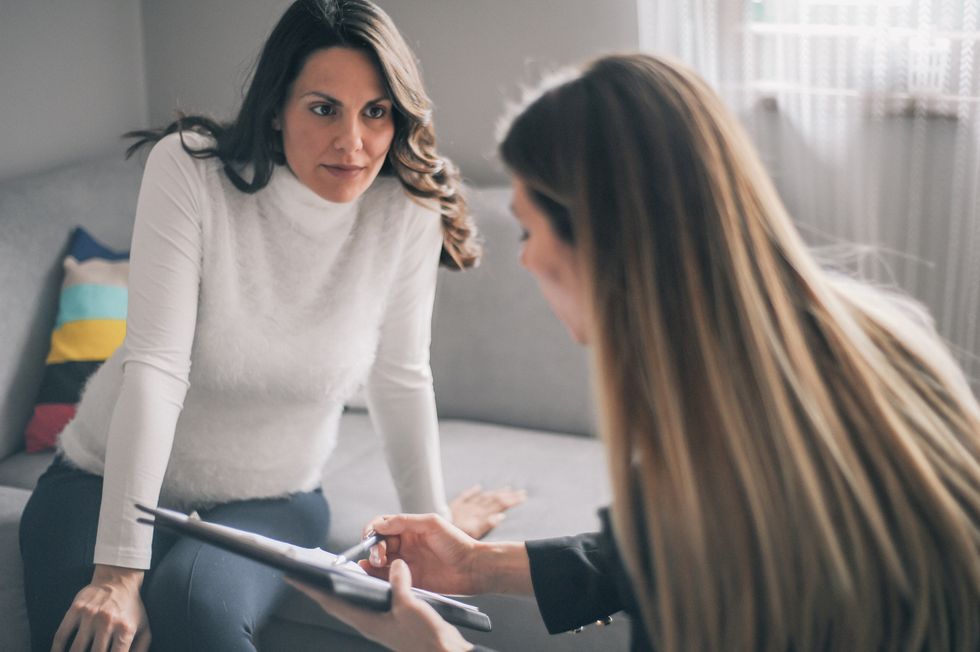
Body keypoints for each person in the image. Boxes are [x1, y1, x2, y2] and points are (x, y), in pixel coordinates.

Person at [288, 53, 980, 651]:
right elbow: (683, 554)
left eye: (527, 232)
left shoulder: (713, 456)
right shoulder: (878, 342)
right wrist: (477, 566)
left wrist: (439, 645)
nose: (524, 263)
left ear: (603, 242)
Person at [17, 1, 526, 650]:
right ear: (275, 108)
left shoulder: (405, 207)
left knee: (197, 606)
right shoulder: (190, 171)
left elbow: (400, 379)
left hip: (273, 496)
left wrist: (435, 539)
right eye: (323, 108)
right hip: (100, 477)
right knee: (86, 626)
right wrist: (119, 568)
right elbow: (157, 366)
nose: (353, 141)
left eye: (375, 111)